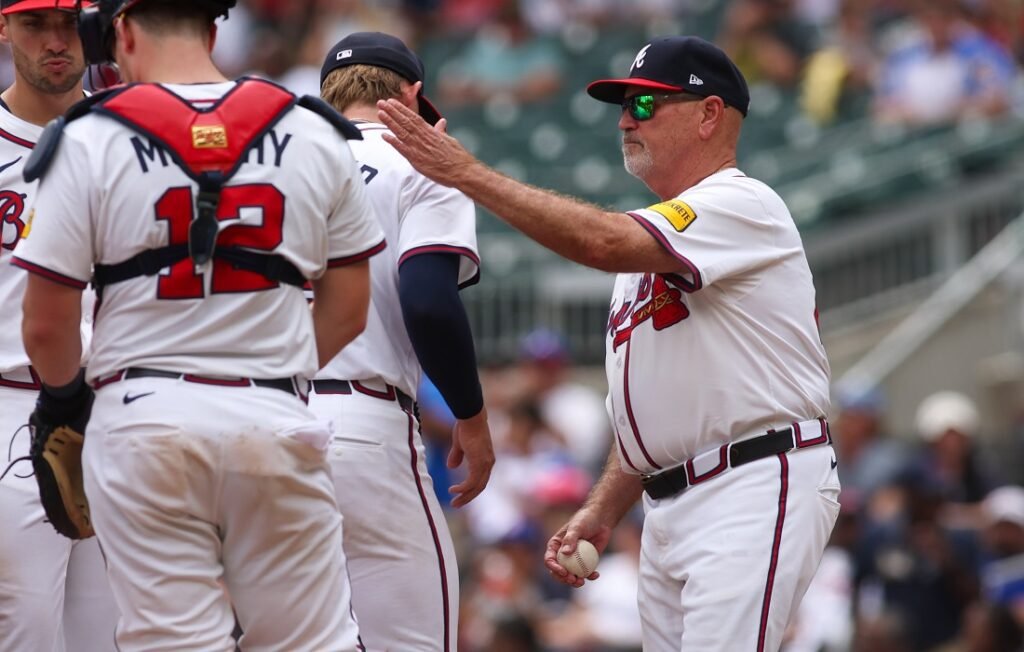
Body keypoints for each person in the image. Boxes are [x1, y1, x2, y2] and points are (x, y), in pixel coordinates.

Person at [378, 35, 839, 650]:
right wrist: (602, 506)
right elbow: (651, 411)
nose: (626, 118)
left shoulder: (742, 203)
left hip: (751, 478)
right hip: (672, 503)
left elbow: (600, 241)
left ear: (709, 114)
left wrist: (466, 173)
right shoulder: (646, 257)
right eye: (623, 105)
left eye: (647, 105)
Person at [13, 0, 383, 649]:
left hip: (141, 418)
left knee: (172, 640)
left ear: (120, 32)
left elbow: (46, 326)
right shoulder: (313, 130)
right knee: (309, 641)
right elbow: (349, 309)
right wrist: (276, 371)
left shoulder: (88, 136)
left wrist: (67, 404)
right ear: (214, 29)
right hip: (273, 414)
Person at [315, 31, 494, 651]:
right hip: (362, 424)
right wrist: (470, 414)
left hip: (261, 416)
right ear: (414, 95)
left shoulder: (271, 168)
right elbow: (428, 301)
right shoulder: (423, 162)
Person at [0, 0, 118, 649]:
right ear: (3, 28)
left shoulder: (128, 136)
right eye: (33, 24)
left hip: (119, 408)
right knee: (29, 627)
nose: (54, 41)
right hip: (11, 403)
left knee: (116, 631)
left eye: (68, 24)